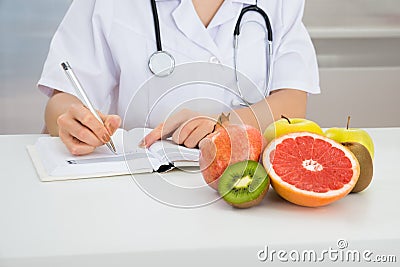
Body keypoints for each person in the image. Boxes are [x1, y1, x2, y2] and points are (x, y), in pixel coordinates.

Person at [39, 0, 320, 155]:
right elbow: (62, 99)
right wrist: (73, 121)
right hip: (136, 187)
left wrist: (224, 126)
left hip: (244, 182)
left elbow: (292, 100)